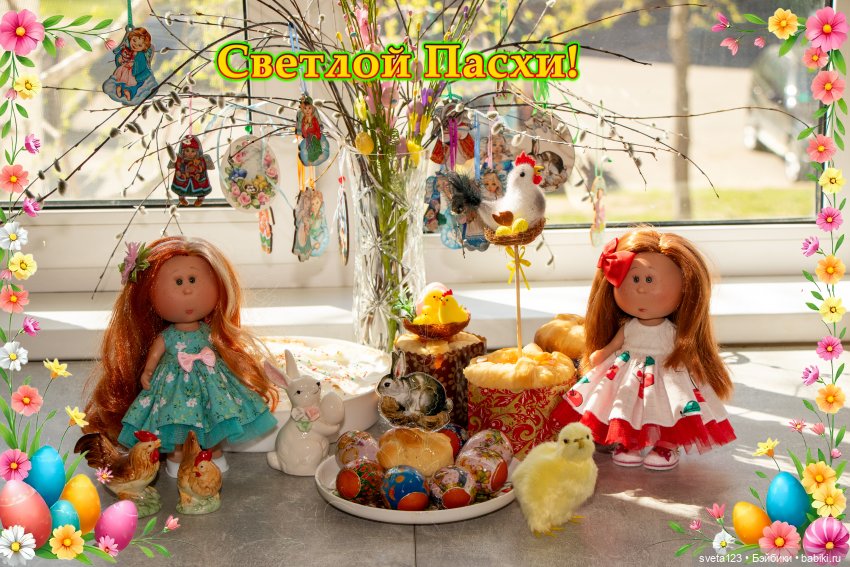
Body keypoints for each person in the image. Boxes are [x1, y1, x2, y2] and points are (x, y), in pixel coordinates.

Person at [83, 236, 279, 476]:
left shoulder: (209, 333)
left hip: (210, 385)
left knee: (214, 417)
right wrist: (147, 372)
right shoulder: (167, 337)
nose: (187, 289)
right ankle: (177, 457)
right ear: (148, 295)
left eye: (193, 279)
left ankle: (213, 453)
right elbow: (153, 359)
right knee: (175, 421)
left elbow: (226, 350)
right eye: (178, 281)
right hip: (173, 387)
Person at [551, 228, 735, 471]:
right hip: (628, 373)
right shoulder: (629, 328)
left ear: (684, 288)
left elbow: (687, 352)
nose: (640, 288)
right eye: (634, 279)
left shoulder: (672, 332)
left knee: (668, 407)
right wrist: (602, 355)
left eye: (649, 280)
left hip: (666, 373)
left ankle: (667, 444)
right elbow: (614, 345)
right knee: (627, 404)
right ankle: (631, 443)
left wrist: (697, 368)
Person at [108, 27, 155, 104]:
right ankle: (120, 87)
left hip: (134, 73)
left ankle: (128, 91)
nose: (135, 45)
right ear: (130, 38)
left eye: (139, 45)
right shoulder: (128, 50)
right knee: (122, 79)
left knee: (134, 84)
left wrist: (133, 64)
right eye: (134, 40)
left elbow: (142, 66)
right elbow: (122, 56)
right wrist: (120, 60)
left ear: (144, 47)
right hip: (125, 70)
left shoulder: (141, 55)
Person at [170, 135, 213, 206]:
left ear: (197, 151)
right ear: (183, 151)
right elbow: (178, 167)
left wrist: (199, 173)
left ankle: (200, 198)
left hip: (196, 180)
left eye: (193, 151)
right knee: (181, 189)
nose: (190, 153)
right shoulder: (180, 160)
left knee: (200, 189)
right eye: (187, 151)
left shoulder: (200, 160)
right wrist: (179, 172)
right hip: (184, 179)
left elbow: (203, 170)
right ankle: (181, 198)